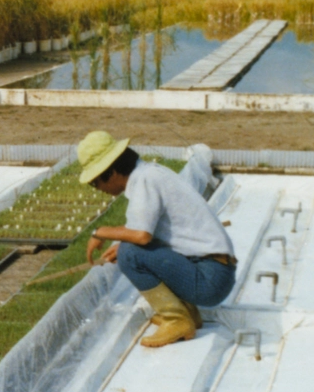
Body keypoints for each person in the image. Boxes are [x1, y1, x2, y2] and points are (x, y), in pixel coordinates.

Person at [79, 130, 236, 348]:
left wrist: (100, 231)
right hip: (215, 272)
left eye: (96, 183)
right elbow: (142, 230)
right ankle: (188, 313)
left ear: (112, 172)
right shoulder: (148, 175)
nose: (99, 190)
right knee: (127, 247)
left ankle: (177, 320)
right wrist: (123, 240)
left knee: (129, 254)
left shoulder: (145, 180)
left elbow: (142, 236)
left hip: (211, 279)